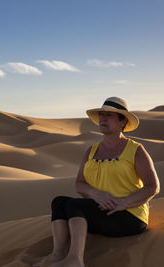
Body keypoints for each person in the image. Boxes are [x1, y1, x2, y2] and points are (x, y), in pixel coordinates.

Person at [34, 97, 160, 267]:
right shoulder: (91, 151)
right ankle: (58, 254)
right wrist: (96, 194)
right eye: (101, 114)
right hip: (100, 211)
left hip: (129, 216)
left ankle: (75, 260)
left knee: (75, 206)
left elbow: (153, 186)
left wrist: (124, 203)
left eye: (109, 115)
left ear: (123, 121)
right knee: (59, 202)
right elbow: (79, 184)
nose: (103, 118)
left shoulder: (135, 150)